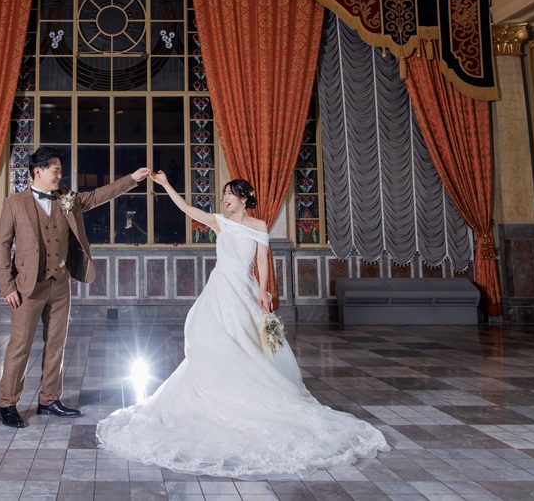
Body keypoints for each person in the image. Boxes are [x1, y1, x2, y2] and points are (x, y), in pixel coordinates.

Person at [96, 173, 388, 478]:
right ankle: (212, 392)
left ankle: (246, 394)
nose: (225, 199)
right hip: (219, 292)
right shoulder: (220, 221)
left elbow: (263, 261)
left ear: (244, 198)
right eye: (224, 195)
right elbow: (185, 208)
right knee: (210, 341)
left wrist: (263, 289)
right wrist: (167, 184)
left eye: (229, 194)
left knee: (248, 348)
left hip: (245, 291)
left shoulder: (259, 227)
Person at [0, 146, 151, 428]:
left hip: (60, 283)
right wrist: (7, 286)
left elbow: (96, 196)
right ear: (38, 171)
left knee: (56, 344)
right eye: (55, 170)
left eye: (60, 171)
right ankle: (8, 404)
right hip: (27, 287)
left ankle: (49, 399)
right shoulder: (14, 203)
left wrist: (132, 179)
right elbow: (1, 245)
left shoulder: (66, 197)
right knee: (20, 345)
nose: (60, 176)